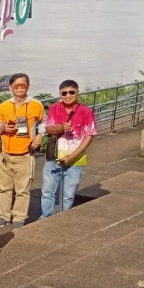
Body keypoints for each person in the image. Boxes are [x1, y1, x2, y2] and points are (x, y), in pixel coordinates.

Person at [42, 80, 97, 218]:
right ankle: (45, 217)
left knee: (68, 194)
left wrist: (72, 156)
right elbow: (49, 129)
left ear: (77, 92)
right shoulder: (55, 108)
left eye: (71, 92)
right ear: (60, 94)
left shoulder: (86, 112)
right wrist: (61, 127)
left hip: (75, 159)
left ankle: (63, 218)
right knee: (48, 191)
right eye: (64, 93)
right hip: (54, 157)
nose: (68, 96)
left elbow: (89, 136)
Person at [0, 73, 44, 228]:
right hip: (5, 155)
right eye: (16, 86)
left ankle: (19, 217)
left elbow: (44, 121)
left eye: (23, 85)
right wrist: (3, 128)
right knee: (3, 188)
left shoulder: (36, 105)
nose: (20, 88)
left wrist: (40, 136)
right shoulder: (3, 106)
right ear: (11, 87)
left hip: (25, 154)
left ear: (28, 86)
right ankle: (4, 215)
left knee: (23, 190)